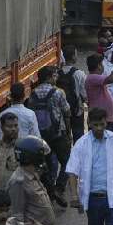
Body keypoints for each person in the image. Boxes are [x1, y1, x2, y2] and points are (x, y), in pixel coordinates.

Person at [28, 66, 71, 204]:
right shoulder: (58, 93)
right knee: (68, 162)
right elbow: (67, 112)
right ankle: (59, 188)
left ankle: (49, 191)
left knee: (46, 163)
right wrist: (69, 132)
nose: (56, 78)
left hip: (41, 136)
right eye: (54, 75)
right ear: (49, 77)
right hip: (58, 134)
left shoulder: (33, 93)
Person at [85, 53, 113, 131]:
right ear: (99, 66)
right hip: (99, 118)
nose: (103, 67)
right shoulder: (92, 78)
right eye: (102, 64)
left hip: (103, 117)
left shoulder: (94, 78)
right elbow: (112, 78)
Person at [59, 45, 88, 141]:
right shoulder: (79, 74)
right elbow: (85, 95)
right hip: (76, 111)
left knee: (63, 136)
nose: (77, 56)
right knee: (78, 137)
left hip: (61, 111)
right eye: (76, 54)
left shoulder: (57, 73)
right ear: (72, 57)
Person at [0, 113, 20, 191]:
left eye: (16, 126)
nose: (13, 129)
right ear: (2, 128)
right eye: (9, 126)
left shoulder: (22, 147)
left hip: (16, 193)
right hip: (1, 193)